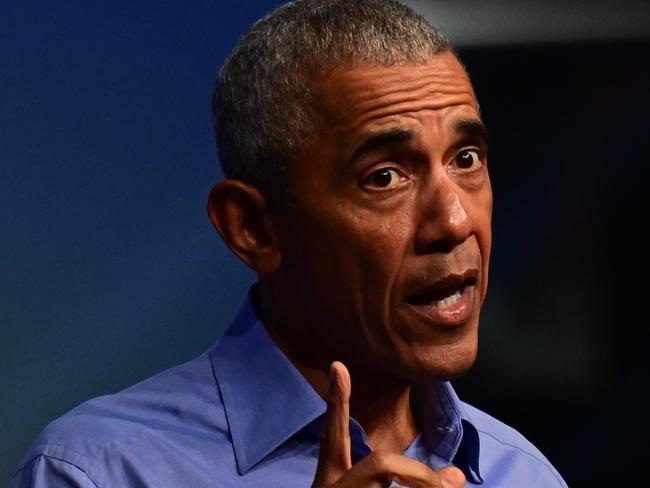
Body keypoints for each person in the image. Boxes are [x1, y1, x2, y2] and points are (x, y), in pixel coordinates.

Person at [12, 1, 568, 486]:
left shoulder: (525, 476)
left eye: (466, 159)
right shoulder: (97, 473)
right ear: (253, 227)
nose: (453, 221)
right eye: (384, 176)